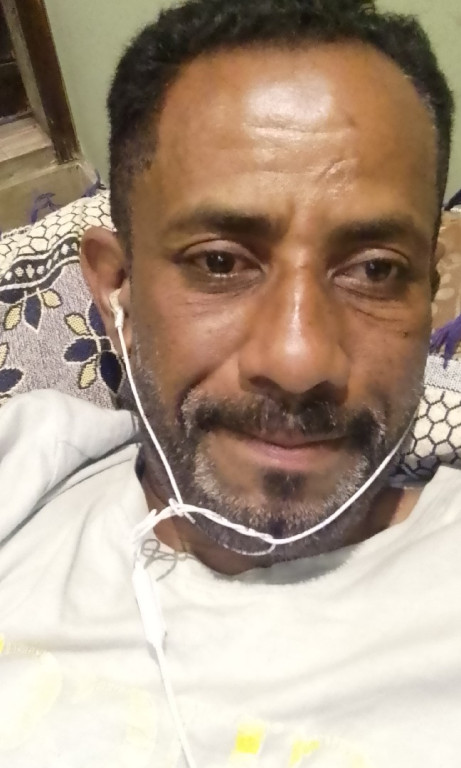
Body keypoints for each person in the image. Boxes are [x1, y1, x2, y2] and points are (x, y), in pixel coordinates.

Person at [0, 0, 459, 765]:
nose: (298, 359)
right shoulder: (25, 472)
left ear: (429, 294)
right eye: (220, 262)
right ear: (115, 291)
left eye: (375, 270)